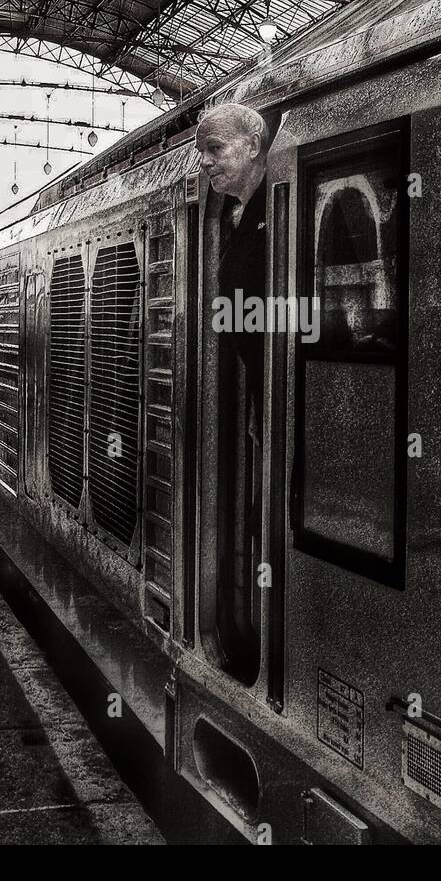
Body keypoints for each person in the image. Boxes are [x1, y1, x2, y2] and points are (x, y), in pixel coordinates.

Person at [194, 102, 271, 682]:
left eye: (214, 150)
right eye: (202, 151)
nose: (204, 164)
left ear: (252, 144)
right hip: (257, 405)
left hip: (277, 401)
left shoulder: (273, 207)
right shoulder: (242, 213)